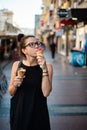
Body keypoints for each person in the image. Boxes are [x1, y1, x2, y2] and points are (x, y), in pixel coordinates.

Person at [8, 35, 53, 130]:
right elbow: (11, 92)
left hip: (39, 113)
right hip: (20, 111)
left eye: (37, 43)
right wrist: (15, 84)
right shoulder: (16, 65)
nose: (36, 46)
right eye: (31, 44)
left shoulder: (48, 67)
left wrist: (44, 68)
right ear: (24, 50)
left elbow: (46, 93)